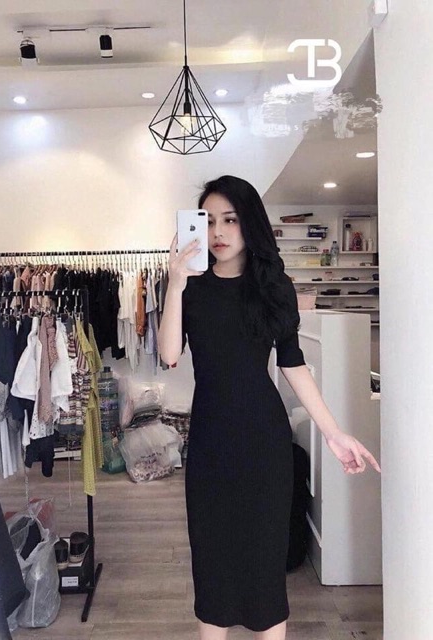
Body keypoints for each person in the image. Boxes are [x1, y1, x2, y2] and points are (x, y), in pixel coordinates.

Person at [157, 175, 381, 640]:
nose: (218, 232)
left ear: (249, 224)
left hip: (264, 443)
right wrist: (175, 285)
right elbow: (169, 354)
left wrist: (334, 432)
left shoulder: (273, 287)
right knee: (212, 565)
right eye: (209, 221)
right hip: (209, 444)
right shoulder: (191, 288)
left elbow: (293, 364)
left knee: (264, 570)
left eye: (230, 220)